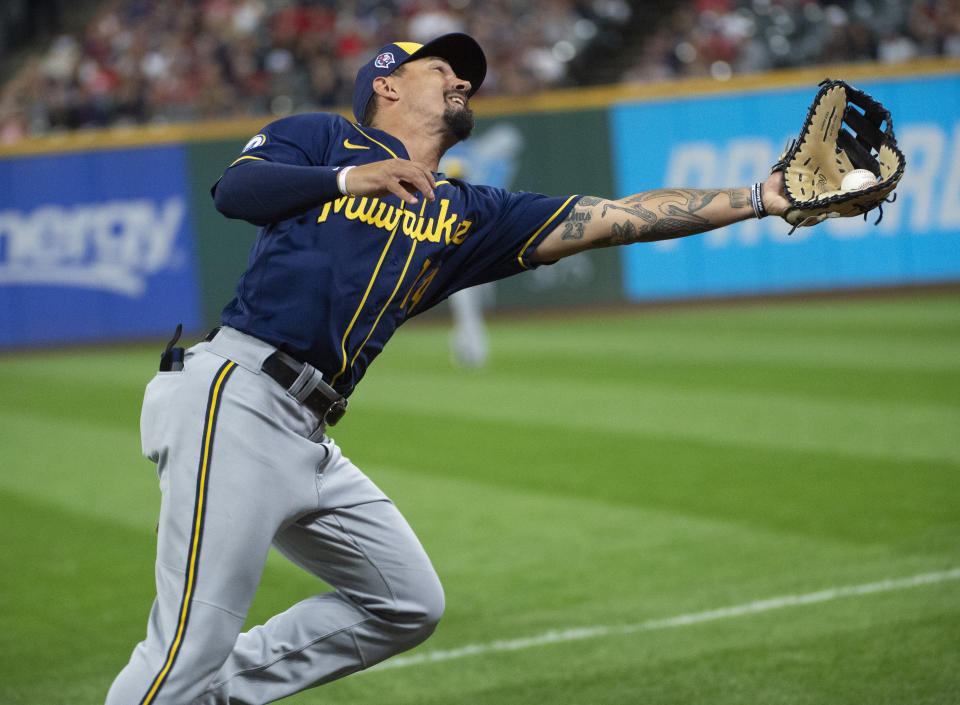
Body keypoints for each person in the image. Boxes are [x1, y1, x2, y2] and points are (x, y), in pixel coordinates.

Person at [106, 32, 790, 705]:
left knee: (405, 602)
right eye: (443, 69)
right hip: (238, 394)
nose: (462, 81)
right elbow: (237, 190)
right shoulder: (324, 138)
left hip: (308, 429)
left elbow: (615, 216)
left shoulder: (465, 212)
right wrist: (348, 178)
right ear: (386, 84)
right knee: (189, 643)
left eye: (466, 76)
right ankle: (186, 685)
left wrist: (762, 196)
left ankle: (202, 695)